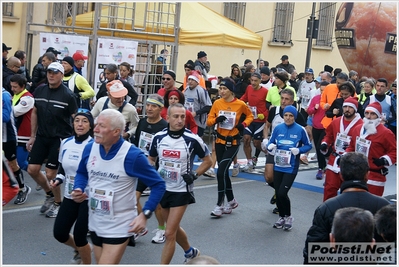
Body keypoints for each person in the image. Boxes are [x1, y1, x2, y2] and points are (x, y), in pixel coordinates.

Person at [72, 109, 166, 264]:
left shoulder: (132, 155)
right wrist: (79, 188)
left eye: (101, 126)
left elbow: (158, 184)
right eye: (96, 125)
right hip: (96, 220)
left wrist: (144, 215)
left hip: (120, 224)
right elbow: (82, 172)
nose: (95, 129)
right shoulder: (90, 148)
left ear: (116, 132)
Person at [148, 103, 212, 264]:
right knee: (173, 228)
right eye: (176, 116)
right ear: (167, 118)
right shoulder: (159, 138)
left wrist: (195, 174)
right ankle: (190, 252)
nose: (179, 120)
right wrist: (152, 176)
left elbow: (208, 161)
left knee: (169, 233)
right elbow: (151, 159)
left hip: (181, 190)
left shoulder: (192, 139)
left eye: (183, 116)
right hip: (163, 189)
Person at [303, 152, 390, 264]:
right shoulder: (384, 207)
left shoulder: (326, 208)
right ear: (367, 175)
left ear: (341, 175)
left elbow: (313, 252)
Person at [26, 62, 78, 218]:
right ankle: (49, 194)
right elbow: (34, 112)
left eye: (55, 72)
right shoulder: (40, 90)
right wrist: (32, 136)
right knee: (32, 170)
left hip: (59, 138)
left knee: (50, 174)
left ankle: (57, 203)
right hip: (42, 136)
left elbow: (76, 118)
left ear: (62, 75)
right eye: (49, 72)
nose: (51, 75)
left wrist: (77, 140)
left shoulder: (68, 95)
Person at [51, 109, 94, 264]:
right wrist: (58, 179)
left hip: (87, 197)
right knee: (60, 233)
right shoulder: (66, 142)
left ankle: (85, 259)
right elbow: (63, 167)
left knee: (80, 235)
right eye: (77, 120)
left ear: (90, 125)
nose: (80, 124)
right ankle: (82, 249)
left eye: (84, 121)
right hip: (70, 195)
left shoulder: (94, 145)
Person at [206, 78, 254, 217]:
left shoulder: (240, 104)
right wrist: (216, 120)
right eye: (220, 88)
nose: (221, 91)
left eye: (224, 89)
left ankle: (219, 204)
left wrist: (242, 125)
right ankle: (231, 200)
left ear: (231, 90)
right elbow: (209, 121)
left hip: (232, 142)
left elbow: (250, 116)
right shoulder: (217, 103)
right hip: (220, 141)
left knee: (220, 172)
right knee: (224, 172)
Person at [267, 106, 312, 230]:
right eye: (286, 115)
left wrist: (299, 150)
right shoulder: (278, 128)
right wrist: (271, 146)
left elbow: (308, 145)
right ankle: (281, 217)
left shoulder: (300, 129)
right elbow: (271, 141)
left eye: (291, 116)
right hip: (278, 165)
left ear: (295, 117)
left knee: (282, 192)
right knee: (278, 192)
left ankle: (288, 216)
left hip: (291, 167)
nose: (288, 118)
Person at [262, 88, 307, 214]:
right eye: (282, 98)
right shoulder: (274, 111)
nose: (283, 101)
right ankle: (279, 192)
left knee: (282, 185)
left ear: (292, 101)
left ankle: (280, 198)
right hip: (274, 149)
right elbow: (267, 126)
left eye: (287, 99)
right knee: (269, 177)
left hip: (289, 154)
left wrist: (301, 152)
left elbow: (305, 132)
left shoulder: (297, 115)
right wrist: (266, 140)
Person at [133, 94, 168, 244]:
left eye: (153, 106)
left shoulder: (165, 126)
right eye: (148, 105)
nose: (149, 108)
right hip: (141, 166)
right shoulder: (141, 122)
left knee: (157, 204)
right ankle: (141, 227)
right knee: (133, 199)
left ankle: (161, 229)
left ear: (160, 109)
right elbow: (136, 144)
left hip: (157, 168)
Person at [346, 102, 397, 196]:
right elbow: (351, 147)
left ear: (378, 116)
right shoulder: (357, 129)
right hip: (356, 174)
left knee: (372, 207)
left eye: (372, 114)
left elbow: (394, 151)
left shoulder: (386, 133)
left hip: (375, 177)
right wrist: (345, 157)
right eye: (367, 113)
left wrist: (384, 160)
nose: (369, 117)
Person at [320, 97, 363, 201]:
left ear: (355, 109)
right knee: (329, 188)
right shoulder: (336, 121)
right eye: (345, 107)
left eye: (350, 107)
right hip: (334, 159)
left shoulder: (361, 125)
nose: (347, 109)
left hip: (351, 162)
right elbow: (329, 135)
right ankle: (328, 213)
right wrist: (325, 143)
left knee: (348, 192)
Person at [3, 86, 29, 205]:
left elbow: (5, 116)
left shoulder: (4, 95)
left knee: (13, 164)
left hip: (7, 137)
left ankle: (22, 189)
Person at [10, 74, 34, 204]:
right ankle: (20, 187)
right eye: (11, 86)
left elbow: (15, 111)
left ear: (23, 86)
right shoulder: (15, 95)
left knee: (20, 163)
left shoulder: (28, 98)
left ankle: (38, 178)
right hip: (12, 135)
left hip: (23, 136)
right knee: (11, 164)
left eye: (15, 87)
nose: (12, 88)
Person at [240, 72, 268, 172]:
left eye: (255, 81)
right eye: (251, 80)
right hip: (250, 118)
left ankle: (268, 153)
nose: (253, 83)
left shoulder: (265, 91)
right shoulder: (249, 88)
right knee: (246, 139)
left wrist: (264, 114)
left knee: (256, 143)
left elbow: (269, 106)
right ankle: (249, 162)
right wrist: (238, 102)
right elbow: (244, 98)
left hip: (260, 121)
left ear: (260, 81)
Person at [307, 81, 329, 180]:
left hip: (326, 127)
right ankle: (322, 167)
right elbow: (309, 110)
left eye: (324, 91)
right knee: (317, 147)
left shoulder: (330, 100)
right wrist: (314, 109)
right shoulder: (316, 98)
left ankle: (323, 167)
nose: (322, 92)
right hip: (316, 127)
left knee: (321, 147)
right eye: (321, 90)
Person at [184, 72, 212, 138]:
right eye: (189, 79)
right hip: (187, 121)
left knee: (197, 141)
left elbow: (208, 106)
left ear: (197, 81)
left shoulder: (201, 91)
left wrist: (196, 113)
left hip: (198, 123)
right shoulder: (186, 89)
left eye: (192, 80)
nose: (190, 82)